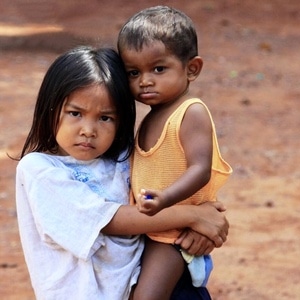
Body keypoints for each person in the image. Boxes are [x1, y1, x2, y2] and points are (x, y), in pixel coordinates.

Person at [15, 46, 229, 300]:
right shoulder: (40, 170)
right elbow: (109, 220)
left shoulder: (125, 157)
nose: (88, 130)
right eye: (75, 113)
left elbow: (172, 195)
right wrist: (193, 217)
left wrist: (199, 228)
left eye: (105, 118)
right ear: (49, 109)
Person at [117, 6, 233, 300]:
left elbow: (200, 168)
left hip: (171, 233)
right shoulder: (150, 116)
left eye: (158, 69)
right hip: (154, 224)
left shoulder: (190, 112)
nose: (145, 80)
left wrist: (166, 198)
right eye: (133, 72)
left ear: (191, 68)